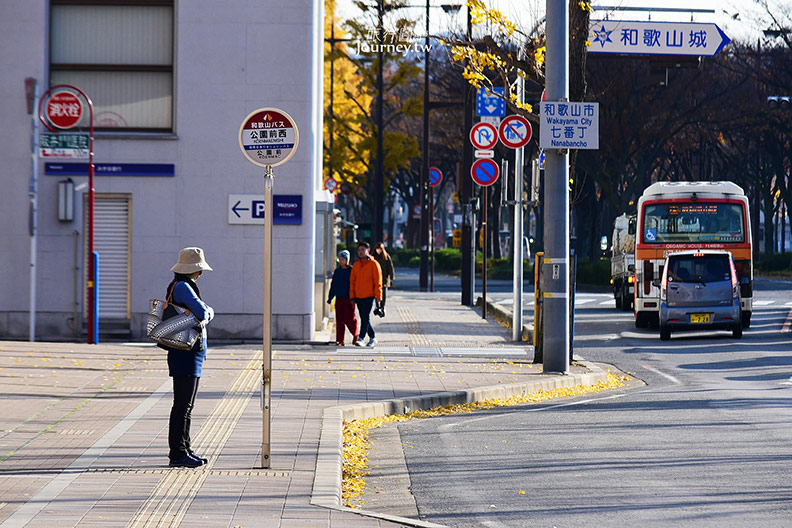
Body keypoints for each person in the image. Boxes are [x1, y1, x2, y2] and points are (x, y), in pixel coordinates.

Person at [163, 247, 215, 468]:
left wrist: (206, 310)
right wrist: (209, 311)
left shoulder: (181, 285)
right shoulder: (184, 287)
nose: (200, 274)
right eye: (198, 270)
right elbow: (203, 313)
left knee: (185, 405)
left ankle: (184, 447)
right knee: (183, 405)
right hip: (185, 354)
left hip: (186, 354)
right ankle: (178, 453)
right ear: (191, 270)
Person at [349, 241, 382, 348]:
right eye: (359, 250)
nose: (360, 252)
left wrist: (378, 297)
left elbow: (378, 282)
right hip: (358, 295)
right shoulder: (356, 265)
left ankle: (361, 338)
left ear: (368, 251)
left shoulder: (374, 264)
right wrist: (352, 296)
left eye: (363, 250)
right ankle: (372, 337)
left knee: (365, 316)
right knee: (364, 317)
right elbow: (352, 282)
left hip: (369, 295)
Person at [327, 249, 358, 346]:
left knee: (349, 318)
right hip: (339, 298)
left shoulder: (352, 271)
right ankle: (340, 340)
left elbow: (356, 284)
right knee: (339, 320)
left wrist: (355, 297)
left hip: (349, 299)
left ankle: (355, 334)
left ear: (347, 260)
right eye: (339, 259)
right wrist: (330, 297)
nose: (341, 261)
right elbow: (334, 285)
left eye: (343, 259)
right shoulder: (337, 271)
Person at [372, 242, 395, 317]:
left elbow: (390, 267)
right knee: (377, 293)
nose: (378, 251)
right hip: (375, 278)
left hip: (384, 278)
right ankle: (377, 306)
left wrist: (391, 277)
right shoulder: (373, 257)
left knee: (383, 294)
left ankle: (382, 307)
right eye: (377, 249)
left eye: (380, 249)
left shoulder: (386, 256)